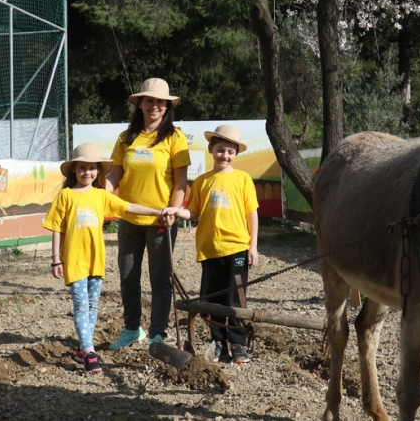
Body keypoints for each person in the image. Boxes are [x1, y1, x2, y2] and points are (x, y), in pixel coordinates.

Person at [45, 143, 162, 373]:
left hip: (95, 260)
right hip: (74, 260)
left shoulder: (101, 195)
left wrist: (158, 211)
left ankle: (82, 349)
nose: (87, 172)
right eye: (82, 168)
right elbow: (56, 228)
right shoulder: (66, 196)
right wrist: (56, 258)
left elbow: (128, 207)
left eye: (91, 168)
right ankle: (89, 351)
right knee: (80, 305)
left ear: (98, 171)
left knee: (92, 304)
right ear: (74, 171)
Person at [161, 124, 259, 364]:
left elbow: (252, 214)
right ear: (210, 149)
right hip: (209, 249)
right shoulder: (203, 181)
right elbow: (193, 212)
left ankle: (238, 343)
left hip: (236, 247)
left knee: (235, 297)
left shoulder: (243, 179)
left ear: (236, 154)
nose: (224, 156)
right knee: (210, 297)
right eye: (220, 150)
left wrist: (253, 246)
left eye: (230, 151)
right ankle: (218, 342)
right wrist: (176, 210)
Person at [105, 78, 190, 349]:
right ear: (140, 104)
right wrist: (97, 194)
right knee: (128, 278)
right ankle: (132, 329)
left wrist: (174, 211)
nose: (155, 105)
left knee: (160, 280)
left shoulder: (175, 138)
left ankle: (157, 334)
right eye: (149, 100)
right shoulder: (126, 137)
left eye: (160, 102)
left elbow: (180, 182)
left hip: (161, 221)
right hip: (129, 219)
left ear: (167, 106)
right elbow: (115, 174)